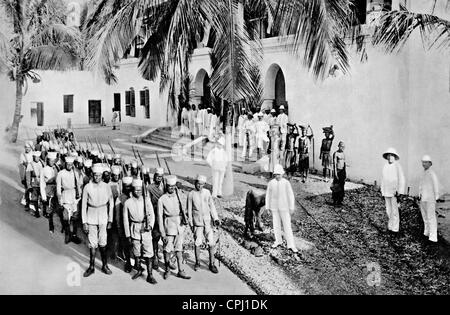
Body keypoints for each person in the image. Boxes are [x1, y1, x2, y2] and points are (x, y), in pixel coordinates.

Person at [81, 164, 114, 278]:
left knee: (103, 242)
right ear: (92, 175)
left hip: (103, 216)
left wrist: (110, 219)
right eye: (95, 175)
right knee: (92, 243)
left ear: (102, 176)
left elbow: (111, 203)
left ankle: (104, 265)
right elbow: (83, 205)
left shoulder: (106, 186)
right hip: (91, 216)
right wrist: (84, 222)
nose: (97, 177)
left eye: (99, 175)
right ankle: (91, 267)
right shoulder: (87, 187)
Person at [123, 179, 157, 284]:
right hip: (134, 230)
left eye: (140, 190)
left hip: (146, 230)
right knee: (136, 252)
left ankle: (150, 275)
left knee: (148, 253)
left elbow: (152, 215)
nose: (138, 192)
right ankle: (138, 270)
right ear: (132, 190)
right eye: (136, 190)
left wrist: (150, 226)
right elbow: (125, 220)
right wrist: (128, 235)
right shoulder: (128, 203)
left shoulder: (147, 201)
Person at [158, 175, 191, 280]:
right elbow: (159, 217)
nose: (171, 188)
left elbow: (183, 209)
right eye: (169, 186)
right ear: (166, 186)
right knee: (167, 249)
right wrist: (162, 233)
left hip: (179, 226)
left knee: (179, 250)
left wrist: (185, 219)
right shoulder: (162, 199)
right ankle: (167, 269)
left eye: (173, 186)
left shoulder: (178, 196)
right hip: (168, 226)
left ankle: (180, 270)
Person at [187, 175, 220, 274]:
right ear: (195, 183)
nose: (199, 186)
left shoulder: (207, 193)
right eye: (198, 184)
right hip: (198, 223)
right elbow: (189, 210)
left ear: (204, 184)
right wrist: (191, 223)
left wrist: (216, 218)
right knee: (198, 242)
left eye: (201, 184)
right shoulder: (191, 194)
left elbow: (212, 206)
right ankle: (197, 262)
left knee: (211, 242)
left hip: (207, 222)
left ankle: (212, 264)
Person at [265, 164, 298, 253]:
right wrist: (267, 207)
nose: (277, 176)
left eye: (279, 174)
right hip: (274, 207)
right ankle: (278, 240)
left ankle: (291, 244)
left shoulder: (286, 183)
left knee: (287, 226)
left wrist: (291, 207)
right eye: (276, 174)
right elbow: (268, 195)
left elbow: (291, 195)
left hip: (284, 207)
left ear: (282, 174)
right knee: (276, 225)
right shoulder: (271, 183)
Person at [56, 156, 82, 244]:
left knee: (75, 217)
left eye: (71, 164)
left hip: (74, 195)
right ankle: (67, 234)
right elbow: (58, 187)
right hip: (65, 196)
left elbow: (78, 184)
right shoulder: (61, 173)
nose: (69, 166)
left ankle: (74, 235)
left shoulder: (75, 173)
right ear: (65, 164)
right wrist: (60, 198)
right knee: (66, 217)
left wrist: (79, 195)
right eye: (68, 164)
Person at [147, 167, 169, 270]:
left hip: (165, 215)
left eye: (161, 177)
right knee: (155, 237)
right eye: (157, 177)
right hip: (155, 214)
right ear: (154, 177)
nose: (159, 178)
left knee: (166, 237)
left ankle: (167, 260)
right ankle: (155, 256)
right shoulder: (150, 188)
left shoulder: (165, 187)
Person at [380, 148, 405, 234]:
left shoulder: (397, 166)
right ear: (387, 157)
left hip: (394, 192)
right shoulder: (385, 166)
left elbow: (401, 179)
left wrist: (400, 191)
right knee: (388, 210)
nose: (390, 157)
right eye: (389, 155)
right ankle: (390, 226)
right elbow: (383, 179)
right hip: (386, 191)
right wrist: (382, 191)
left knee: (395, 210)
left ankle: (395, 228)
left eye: (392, 155)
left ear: (394, 157)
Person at [419, 155, 440, 244]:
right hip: (423, 198)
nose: (424, 164)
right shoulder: (423, 173)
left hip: (430, 198)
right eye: (423, 162)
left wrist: (436, 196)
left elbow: (436, 185)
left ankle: (433, 237)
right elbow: (420, 186)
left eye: (426, 162)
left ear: (430, 164)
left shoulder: (432, 173)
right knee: (425, 216)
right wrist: (419, 194)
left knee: (431, 217)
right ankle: (426, 232)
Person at [114, 176, 134, 273]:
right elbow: (117, 214)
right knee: (126, 244)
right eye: (126, 187)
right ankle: (128, 262)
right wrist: (118, 225)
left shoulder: (135, 197)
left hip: (134, 225)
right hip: (123, 225)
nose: (128, 188)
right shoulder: (119, 198)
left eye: (130, 186)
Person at [40, 152, 60, 233]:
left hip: (56, 190)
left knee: (57, 208)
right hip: (48, 190)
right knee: (50, 209)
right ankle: (51, 226)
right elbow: (42, 183)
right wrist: (43, 196)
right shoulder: (44, 170)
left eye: (53, 160)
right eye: (51, 160)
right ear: (48, 160)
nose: (52, 162)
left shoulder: (56, 168)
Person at [26, 151, 44, 217]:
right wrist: (29, 185)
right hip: (34, 183)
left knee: (42, 197)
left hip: (41, 183)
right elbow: (28, 176)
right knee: (35, 198)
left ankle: (42, 210)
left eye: (38, 157)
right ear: (33, 157)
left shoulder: (41, 163)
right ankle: (36, 211)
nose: (37, 158)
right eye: (36, 157)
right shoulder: (30, 164)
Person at [331, 142, 347, 206]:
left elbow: (344, 164)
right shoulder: (336, 153)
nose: (342, 148)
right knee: (336, 186)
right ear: (339, 146)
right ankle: (335, 200)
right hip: (337, 171)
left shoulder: (343, 154)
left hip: (342, 172)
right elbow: (334, 164)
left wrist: (345, 173)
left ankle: (340, 201)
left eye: (343, 147)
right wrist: (335, 173)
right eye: (341, 146)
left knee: (342, 186)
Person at [19, 141, 34, 208]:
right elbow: (21, 166)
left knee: (33, 188)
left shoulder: (33, 154)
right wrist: (22, 178)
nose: (27, 149)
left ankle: (34, 201)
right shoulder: (22, 155)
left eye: (28, 148)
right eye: (26, 148)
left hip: (32, 174)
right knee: (27, 188)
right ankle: (27, 201)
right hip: (25, 173)